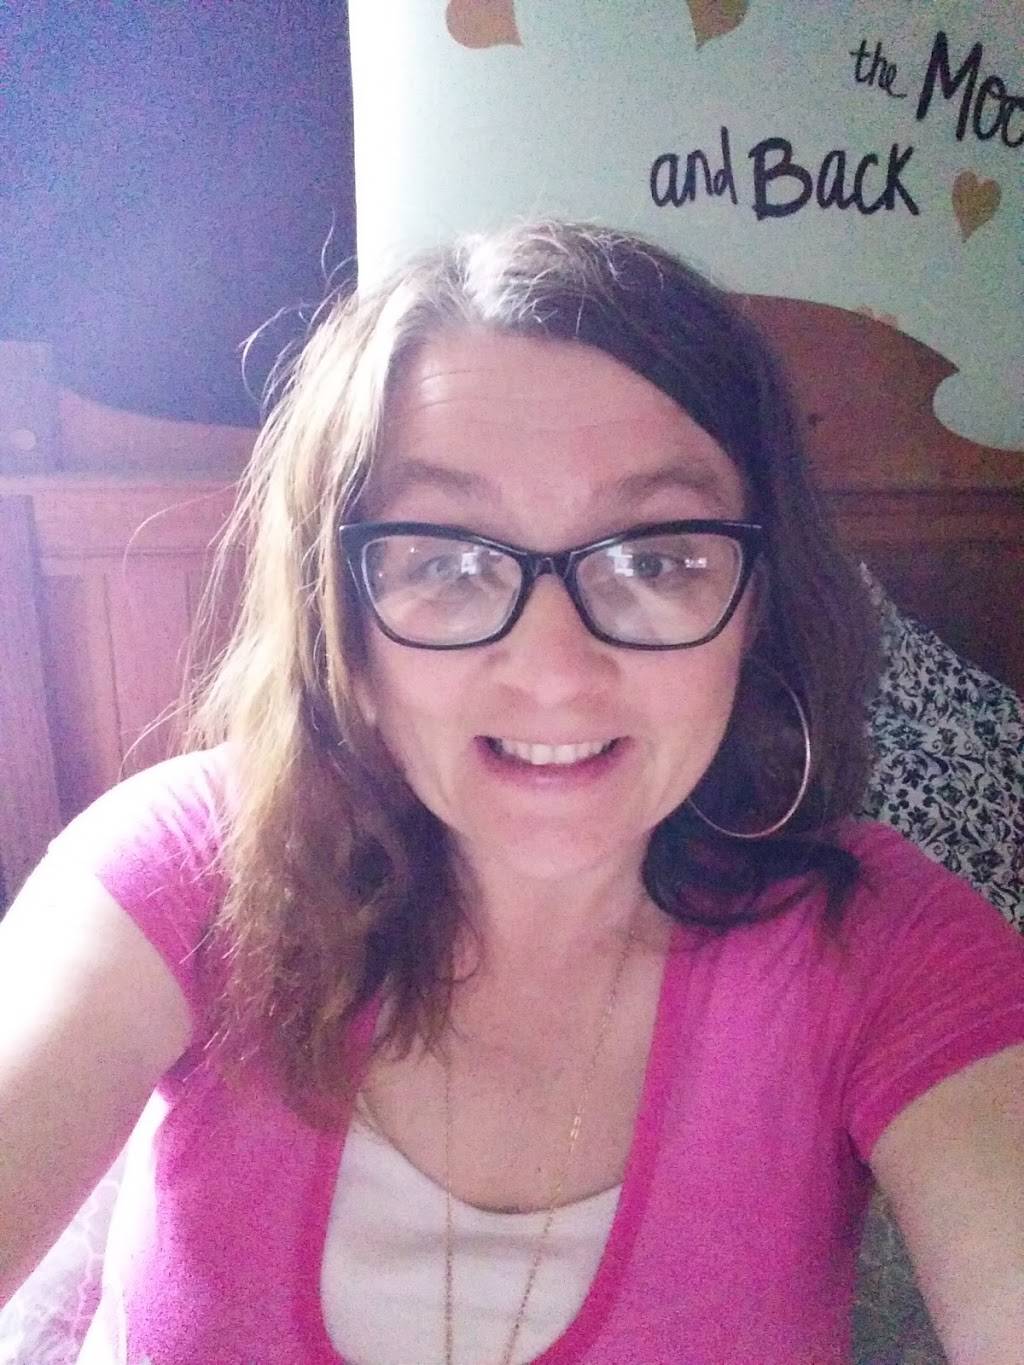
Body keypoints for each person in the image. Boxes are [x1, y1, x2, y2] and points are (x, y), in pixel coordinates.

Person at [1, 221, 1022, 1365]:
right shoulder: (182, 866)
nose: (553, 671)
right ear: (341, 617)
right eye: (445, 561)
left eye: (654, 558)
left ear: (757, 609)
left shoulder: (886, 945)